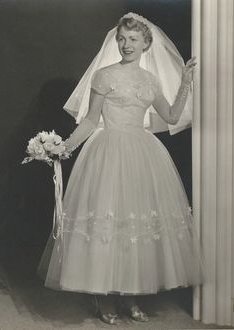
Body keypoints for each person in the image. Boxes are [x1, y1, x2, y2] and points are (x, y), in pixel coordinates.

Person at [38, 13, 208, 325]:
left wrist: (184, 83)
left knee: (136, 228)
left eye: (133, 39)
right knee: (108, 223)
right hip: (108, 152)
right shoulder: (104, 75)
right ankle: (103, 298)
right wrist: (65, 146)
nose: (126, 44)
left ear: (146, 44)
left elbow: (171, 117)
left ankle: (132, 296)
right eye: (122, 38)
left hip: (142, 153)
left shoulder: (150, 80)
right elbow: (90, 120)